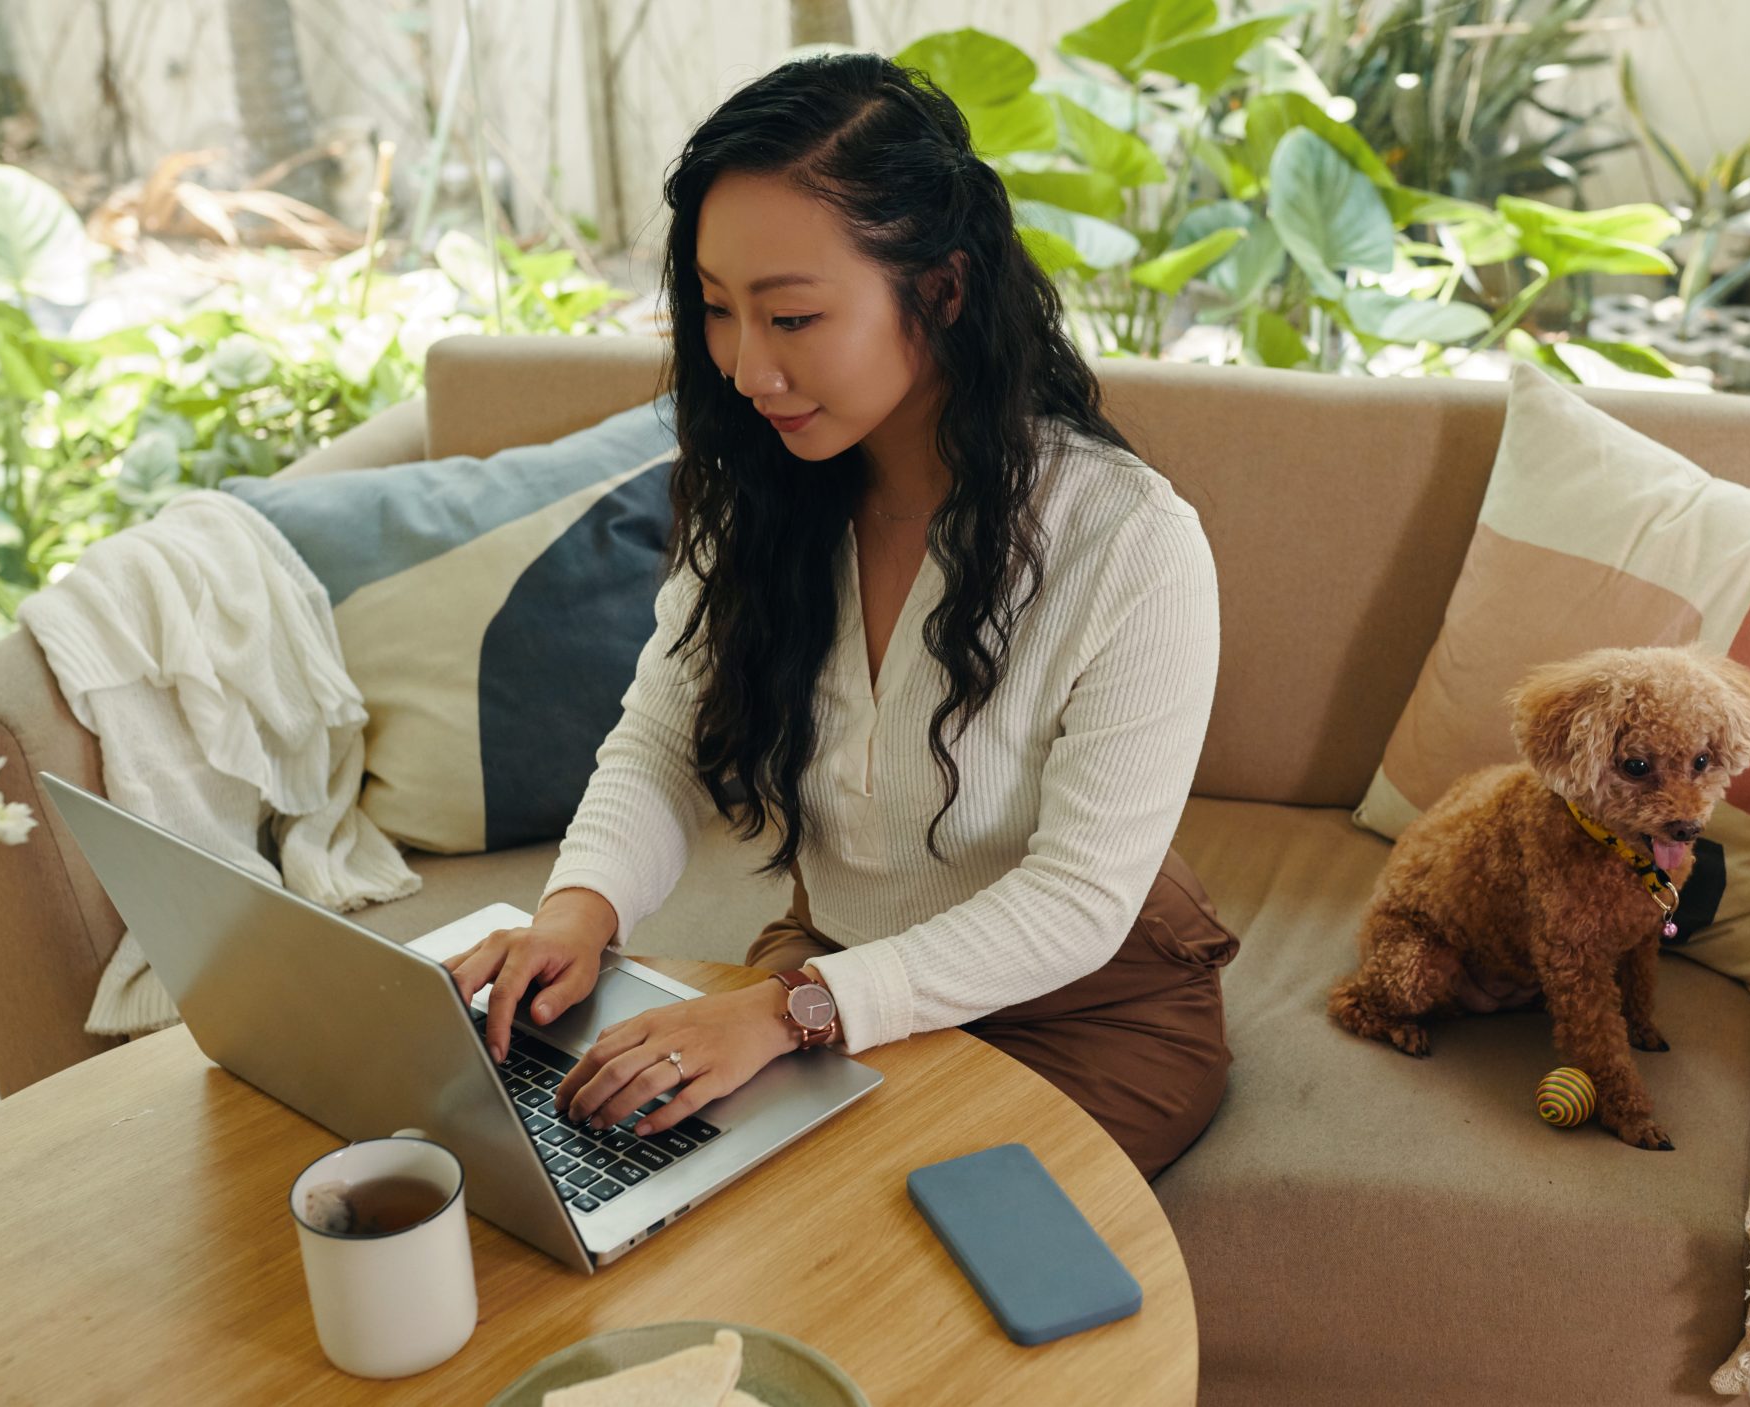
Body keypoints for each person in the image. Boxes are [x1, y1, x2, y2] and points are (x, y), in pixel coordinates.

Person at [440, 52, 1239, 1179]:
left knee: (897, 1235)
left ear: (944, 292)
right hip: (835, 963)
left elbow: (1075, 902)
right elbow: (665, 737)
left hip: (1082, 1002)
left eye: (794, 316)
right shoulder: (764, 494)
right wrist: (576, 913)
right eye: (718, 311)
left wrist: (790, 1012)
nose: (746, 367)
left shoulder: (1128, 541)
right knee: (654, 1175)